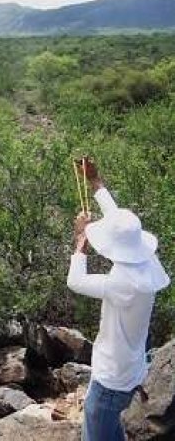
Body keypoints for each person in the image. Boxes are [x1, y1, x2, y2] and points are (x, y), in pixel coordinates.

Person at [68, 158, 170, 441]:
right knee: (111, 431)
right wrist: (95, 181)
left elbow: (75, 281)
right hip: (130, 368)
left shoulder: (123, 282)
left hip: (112, 379)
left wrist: (80, 240)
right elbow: (121, 225)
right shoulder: (146, 261)